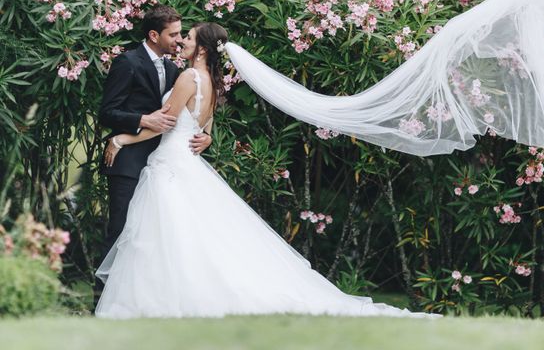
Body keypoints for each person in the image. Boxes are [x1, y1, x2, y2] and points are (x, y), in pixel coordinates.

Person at [95, 22, 437, 319]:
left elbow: (165, 122)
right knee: (192, 235)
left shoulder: (187, 76)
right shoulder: (210, 80)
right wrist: (207, 137)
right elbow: (206, 123)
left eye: (189, 37)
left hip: (171, 161)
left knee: (168, 235)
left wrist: (122, 139)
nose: (183, 40)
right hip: (186, 160)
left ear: (200, 48)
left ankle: (163, 300)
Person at [95, 5, 212, 307]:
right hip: (129, 163)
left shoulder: (176, 70)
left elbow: (192, 110)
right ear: (153, 35)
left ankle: (144, 301)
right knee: (121, 232)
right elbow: (107, 112)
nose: (178, 40)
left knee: (154, 239)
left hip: (163, 163)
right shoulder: (127, 63)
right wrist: (142, 120)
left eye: (181, 34)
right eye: (173, 34)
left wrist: (207, 134)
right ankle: (103, 302)